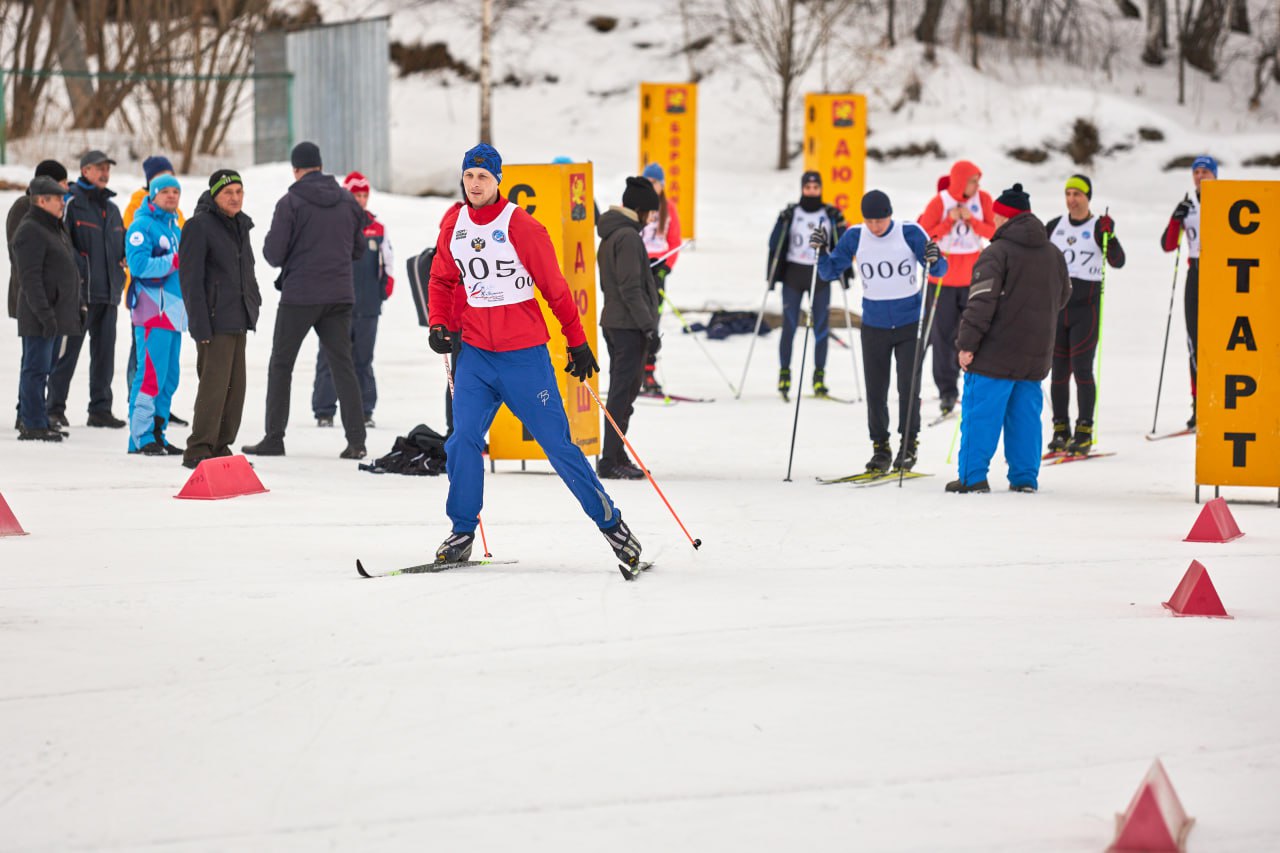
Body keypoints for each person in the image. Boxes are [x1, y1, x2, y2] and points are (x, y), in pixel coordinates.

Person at [426, 143, 641, 571]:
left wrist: (578, 343)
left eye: (483, 177)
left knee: (558, 446)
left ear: (497, 181)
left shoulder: (521, 226)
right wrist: (439, 324)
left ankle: (612, 525)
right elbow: (444, 278)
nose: (474, 183)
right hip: (476, 358)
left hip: (523, 357)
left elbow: (555, 289)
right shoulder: (454, 222)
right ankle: (462, 529)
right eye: (469, 175)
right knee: (462, 439)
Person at [242, 141, 368, 459]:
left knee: (282, 364)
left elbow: (273, 254)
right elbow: (359, 249)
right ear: (321, 165)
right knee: (343, 366)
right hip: (339, 295)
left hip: (300, 295)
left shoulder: (291, 201)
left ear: (296, 169)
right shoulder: (347, 200)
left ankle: (274, 437)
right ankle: (356, 441)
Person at [947, 183, 1071, 494]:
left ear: (1004, 217)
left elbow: (980, 304)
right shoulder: (1053, 254)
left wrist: (966, 345)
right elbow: (1064, 295)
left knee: (982, 416)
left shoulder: (996, 253)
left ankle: (972, 477)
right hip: (1035, 354)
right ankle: (1025, 478)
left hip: (994, 355)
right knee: (1026, 418)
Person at [816, 190, 946, 472]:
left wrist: (935, 258)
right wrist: (821, 251)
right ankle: (881, 448)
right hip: (874, 325)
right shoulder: (854, 236)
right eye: (870, 221)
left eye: (880, 220)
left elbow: (939, 269)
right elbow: (828, 272)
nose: (875, 227)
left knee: (907, 387)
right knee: (876, 391)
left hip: (910, 323)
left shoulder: (909, 232)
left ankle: (908, 445)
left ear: (890, 214)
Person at [178, 169, 261, 469]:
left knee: (235, 389)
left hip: (238, 317)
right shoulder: (199, 227)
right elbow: (190, 280)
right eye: (228, 193)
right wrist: (199, 324)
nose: (235, 198)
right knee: (214, 388)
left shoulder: (240, 225)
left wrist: (254, 301)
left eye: (239, 192)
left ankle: (221, 445)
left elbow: (246, 270)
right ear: (215, 195)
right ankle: (199, 447)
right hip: (213, 322)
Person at [1045, 174, 1126, 455]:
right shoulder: (1054, 226)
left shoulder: (1097, 227)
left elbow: (1118, 261)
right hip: (1058, 308)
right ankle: (1060, 429)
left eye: (1077, 194)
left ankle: (1084, 429)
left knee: (1081, 370)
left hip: (1086, 308)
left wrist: (1110, 236)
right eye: (1067, 193)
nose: (1071, 199)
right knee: (1057, 373)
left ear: (1087, 197)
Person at [47, 150, 127, 429]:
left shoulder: (113, 209)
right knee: (67, 354)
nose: (105, 172)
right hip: (79, 295)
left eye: (107, 168)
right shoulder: (71, 202)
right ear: (84, 171)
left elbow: (122, 246)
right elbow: (62, 242)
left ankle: (100, 409)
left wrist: (121, 265)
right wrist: (78, 273)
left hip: (108, 294)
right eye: (98, 168)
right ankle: (54, 408)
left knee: (105, 355)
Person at [312, 171, 392, 429]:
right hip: (337, 305)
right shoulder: (333, 223)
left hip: (368, 306)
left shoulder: (377, 227)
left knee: (363, 360)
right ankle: (325, 410)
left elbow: (388, 260)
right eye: (355, 194)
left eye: (363, 195)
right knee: (329, 357)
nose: (360, 200)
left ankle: (365, 410)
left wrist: (385, 287)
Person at [917, 159, 995, 417]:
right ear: (961, 181)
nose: (977, 186)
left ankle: (972, 384)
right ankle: (947, 390)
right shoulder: (940, 202)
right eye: (973, 181)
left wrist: (972, 220)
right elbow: (924, 234)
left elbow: (993, 230)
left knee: (971, 335)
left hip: (974, 280)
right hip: (943, 282)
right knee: (942, 337)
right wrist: (948, 222)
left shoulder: (982, 199)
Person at [597, 175, 662, 480]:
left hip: (619, 322)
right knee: (622, 394)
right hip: (627, 326)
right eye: (651, 213)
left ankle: (616, 452)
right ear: (639, 209)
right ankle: (610, 459)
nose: (652, 220)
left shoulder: (615, 234)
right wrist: (649, 327)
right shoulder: (627, 237)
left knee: (625, 392)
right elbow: (630, 287)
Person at [12, 176, 83, 442]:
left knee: (45, 369)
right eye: (59, 199)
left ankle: (39, 418)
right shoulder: (30, 230)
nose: (63, 203)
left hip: (55, 315)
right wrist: (45, 315)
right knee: (36, 369)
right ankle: (32, 423)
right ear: (42, 200)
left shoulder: (53, 227)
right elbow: (29, 279)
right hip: (39, 316)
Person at [766, 170, 847, 400]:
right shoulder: (794, 213)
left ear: (820, 189)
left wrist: (839, 222)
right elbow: (773, 242)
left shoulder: (828, 214)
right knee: (789, 326)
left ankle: (819, 377)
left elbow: (843, 243)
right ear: (802, 188)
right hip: (794, 273)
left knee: (821, 328)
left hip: (820, 274)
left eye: (815, 188)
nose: (811, 191)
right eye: (808, 188)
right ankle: (785, 373)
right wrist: (781, 221)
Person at [122, 155, 188, 427]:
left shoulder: (176, 227)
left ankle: (158, 431)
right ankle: (141, 434)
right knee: (150, 373)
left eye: (176, 191)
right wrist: (172, 261)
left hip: (174, 309)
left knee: (170, 376)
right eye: (165, 192)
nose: (171, 196)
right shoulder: (142, 225)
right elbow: (137, 265)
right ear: (152, 194)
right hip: (151, 309)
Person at [8, 159, 69, 431]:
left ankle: (36, 414)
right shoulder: (25, 212)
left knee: (43, 363)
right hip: (33, 299)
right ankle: (29, 416)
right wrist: (42, 305)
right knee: (33, 362)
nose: (64, 194)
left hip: (50, 301)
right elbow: (26, 263)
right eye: (60, 187)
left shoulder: (53, 218)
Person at [1160, 155, 1216, 430]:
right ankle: (1198, 405)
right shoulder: (1188, 204)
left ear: (1215, 175)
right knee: (1194, 342)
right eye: (1196, 172)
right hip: (1196, 273)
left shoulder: (1228, 200)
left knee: (1222, 342)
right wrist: (1175, 218)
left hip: (1225, 275)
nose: (1200, 176)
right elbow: (1169, 245)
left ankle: (1221, 401)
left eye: (1206, 171)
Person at [638, 162, 683, 396]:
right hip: (638, 265)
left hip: (658, 266)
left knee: (652, 321)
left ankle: (648, 369)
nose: (651, 185)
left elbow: (675, 241)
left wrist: (667, 267)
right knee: (636, 318)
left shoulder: (668, 208)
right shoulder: (636, 204)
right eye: (648, 181)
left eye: (655, 182)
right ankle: (633, 371)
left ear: (662, 185)